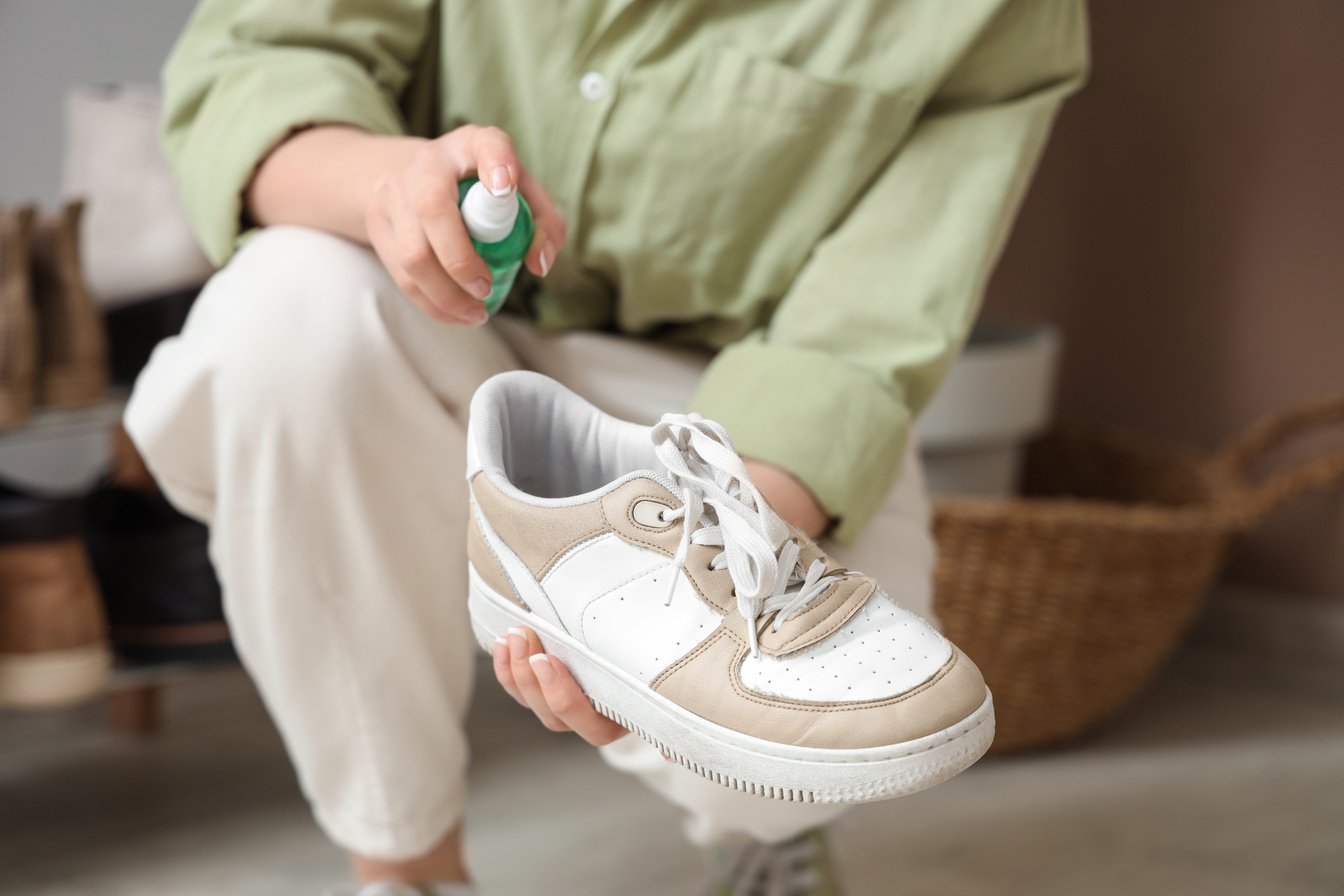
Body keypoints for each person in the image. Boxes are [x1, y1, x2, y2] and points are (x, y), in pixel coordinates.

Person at [126, 1, 1088, 892]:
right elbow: (263, 56)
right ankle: (408, 870)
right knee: (286, 318)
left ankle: (760, 830)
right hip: (414, 313)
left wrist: (689, 607)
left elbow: (863, 328)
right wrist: (390, 184)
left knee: (818, 727)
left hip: (722, 398)